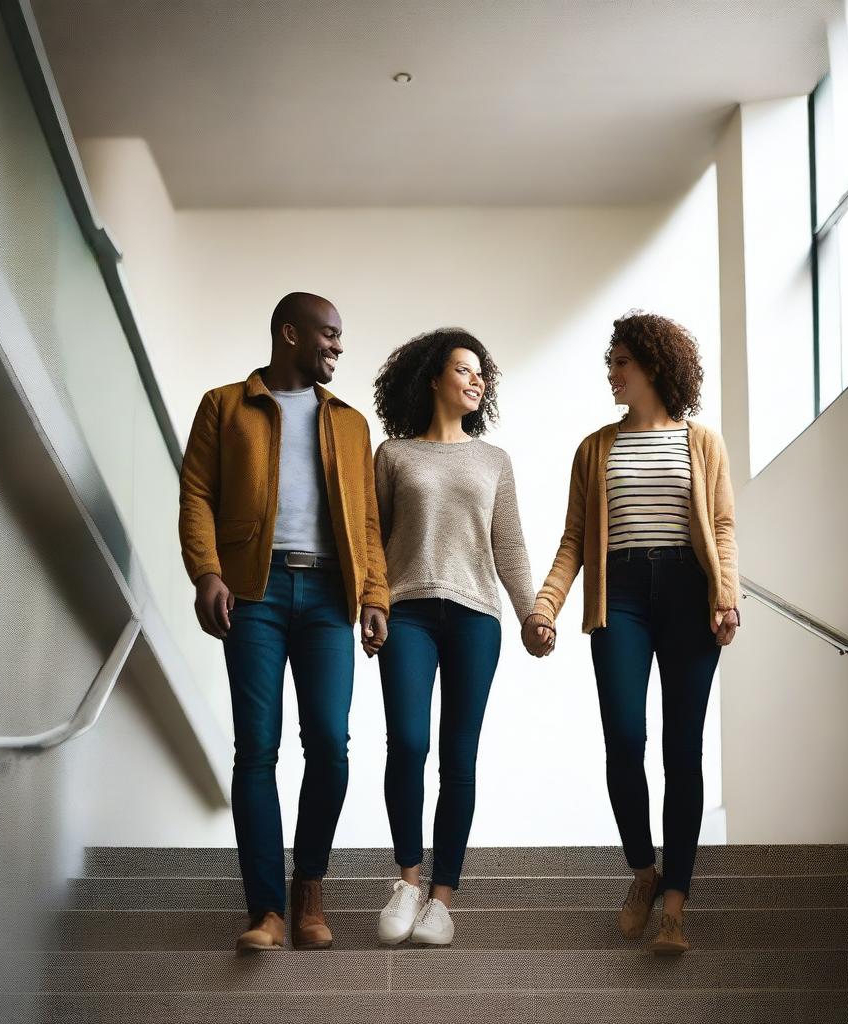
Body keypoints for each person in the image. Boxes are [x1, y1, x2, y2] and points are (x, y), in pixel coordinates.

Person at [178, 292, 389, 952]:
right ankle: (266, 910)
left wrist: (376, 596)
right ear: (289, 333)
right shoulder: (224, 406)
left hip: (330, 597)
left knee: (330, 744)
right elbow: (198, 495)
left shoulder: (352, 424)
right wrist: (207, 572)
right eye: (328, 334)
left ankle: (310, 889)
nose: (337, 346)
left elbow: (368, 523)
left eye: (340, 336)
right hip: (255, 594)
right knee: (257, 749)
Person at [522, 311, 739, 955]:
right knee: (624, 736)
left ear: (653, 365)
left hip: (687, 594)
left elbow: (721, 528)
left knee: (683, 748)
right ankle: (642, 872)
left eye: (621, 362)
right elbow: (573, 541)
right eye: (610, 363)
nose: (612, 373)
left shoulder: (702, 442)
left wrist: (726, 595)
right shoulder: (595, 448)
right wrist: (545, 606)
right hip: (619, 598)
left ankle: (674, 905)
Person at [370, 329, 535, 947]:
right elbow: (373, 540)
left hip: (475, 618)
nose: (476, 381)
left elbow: (510, 545)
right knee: (408, 743)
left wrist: (530, 613)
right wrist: (372, 602)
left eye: (481, 374)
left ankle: (443, 897)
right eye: (464, 370)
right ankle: (408, 879)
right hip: (408, 612)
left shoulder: (493, 460)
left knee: (457, 755)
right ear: (434, 378)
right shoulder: (393, 455)